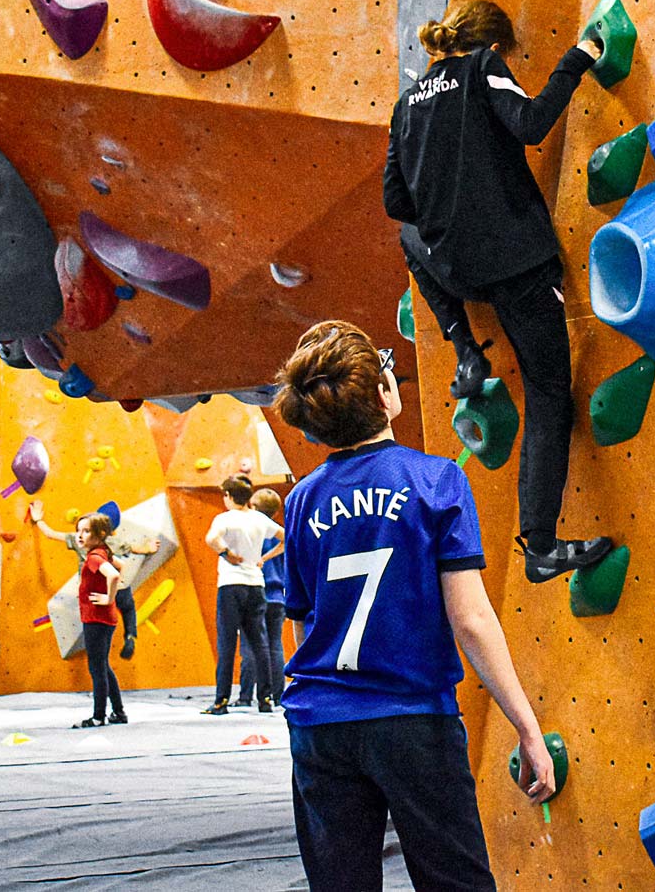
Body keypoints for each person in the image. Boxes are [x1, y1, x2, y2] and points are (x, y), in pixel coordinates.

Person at [273, 319, 556, 890]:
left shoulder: (302, 499)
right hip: (412, 722)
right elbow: (472, 620)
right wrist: (527, 727)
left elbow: (304, 623)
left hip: (320, 726)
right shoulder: (436, 481)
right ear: (384, 395)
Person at [382, 0, 614, 585]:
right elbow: (532, 123)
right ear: (491, 44)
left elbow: (397, 205)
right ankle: (539, 541)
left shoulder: (406, 105)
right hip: (516, 265)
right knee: (547, 391)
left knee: (412, 240)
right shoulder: (481, 66)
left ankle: (462, 342)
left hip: (460, 272)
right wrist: (580, 57)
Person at [30, 500, 160, 661]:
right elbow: (139, 549)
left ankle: (98, 648)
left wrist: (38, 519)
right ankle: (130, 636)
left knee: (97, 624)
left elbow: (50, 534)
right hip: (118, 588)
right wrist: (150, 548)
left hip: (93, 591)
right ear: (112, 531)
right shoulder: (116, 542)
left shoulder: (80, 541)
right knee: (128, 609)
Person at [202, 475, 282, 715]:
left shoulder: (225, 518)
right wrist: (263, 559)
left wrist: (226, 553)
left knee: (227, 642)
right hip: (256, 585)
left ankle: (221, 701)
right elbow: (284, 537)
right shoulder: (259, 519)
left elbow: (210, 539)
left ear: (228, 496)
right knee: (260, 643)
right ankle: (265, 699)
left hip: (231, 584)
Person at [71, 513, 127, 729]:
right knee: (103, 665)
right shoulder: (102, 553)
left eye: (86, 531)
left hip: (96, 618)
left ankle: (98, 716)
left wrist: (109, 597)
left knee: (97, 668)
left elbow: (113, 575)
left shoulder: (95, 558)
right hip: (103, 618)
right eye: (79, 530)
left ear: (100, 534)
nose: (80, 535)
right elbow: (120, 567)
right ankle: (119, 711)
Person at [237, 487, 287, 709]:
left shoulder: (251, 532)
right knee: (275, 645)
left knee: (250, 646)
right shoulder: (278, 535)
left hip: (255, 593)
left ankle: (246, 695)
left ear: (254, 507)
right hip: (277, 596)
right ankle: (277, 695)